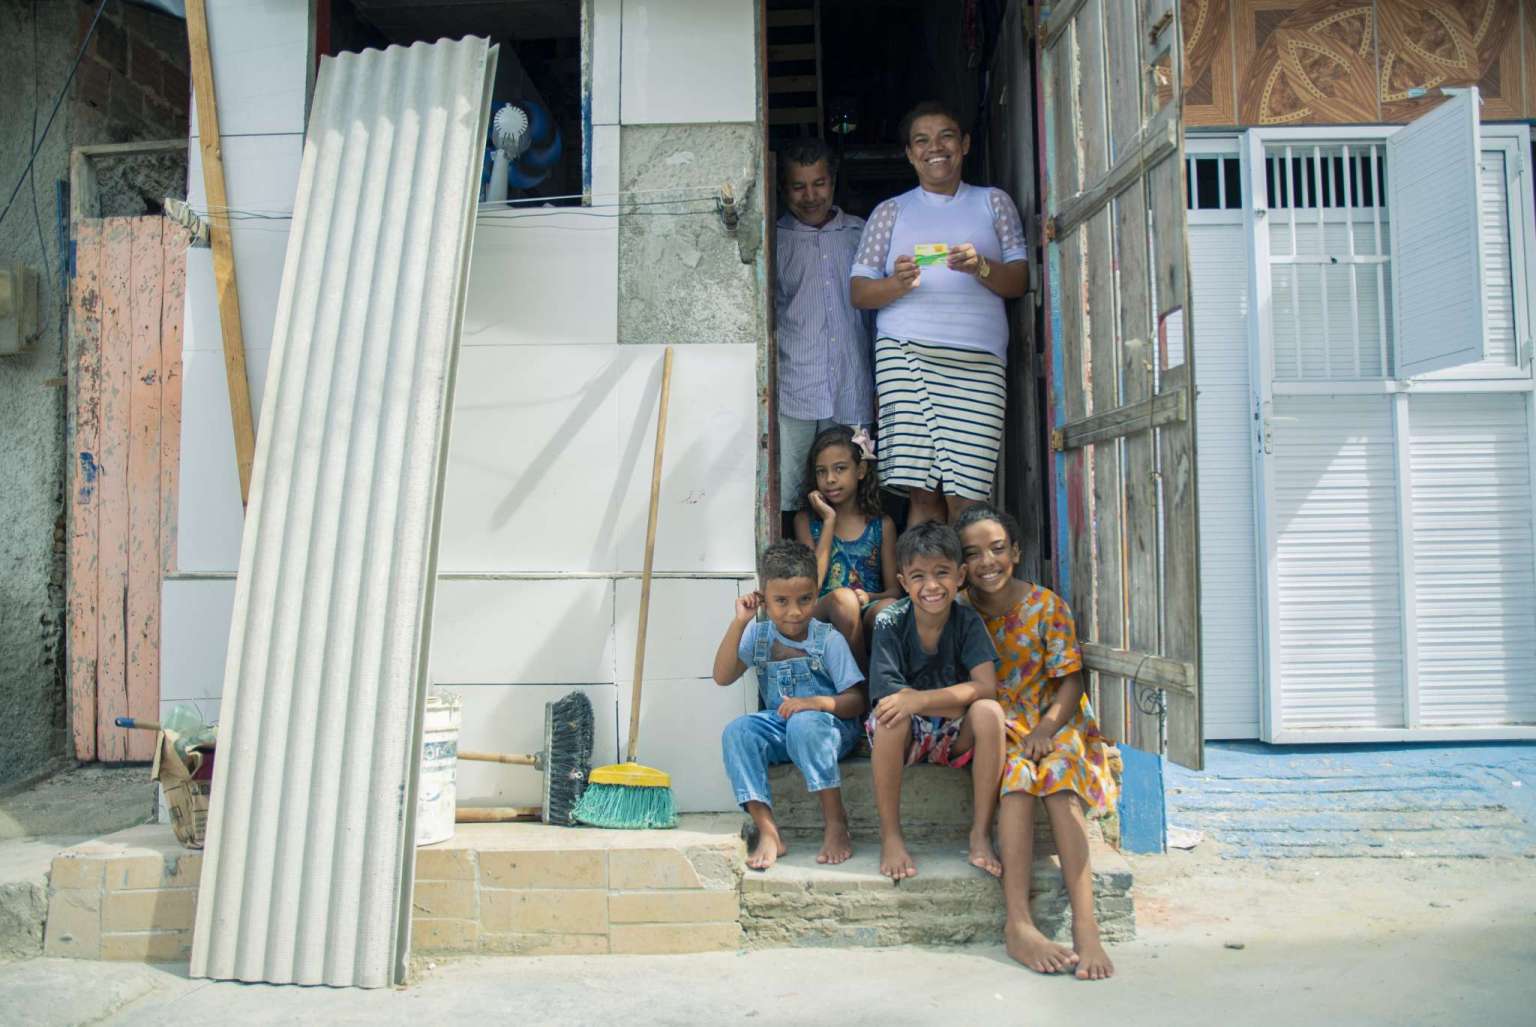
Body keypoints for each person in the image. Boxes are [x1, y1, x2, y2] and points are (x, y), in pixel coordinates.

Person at [956, 503, 1119, 980]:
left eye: (997, 549)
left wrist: (1047, 729)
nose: (987, 562)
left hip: (1055, 718)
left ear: (1015, 552)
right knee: (1018, 782)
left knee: (1061, 778)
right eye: (973, 553)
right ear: (961, 564)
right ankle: (1019, 924)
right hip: (1002, 725)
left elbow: (1070, 680)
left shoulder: (1047, 606)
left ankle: (1086, 927)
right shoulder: (959, 611)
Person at [849, 100, 1031, 526]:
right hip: (906, 354)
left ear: (964, 144)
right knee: (922, 493)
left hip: (979, 363)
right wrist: (896, 284)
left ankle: (966, 573)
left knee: (968, 495)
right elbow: (859, 292)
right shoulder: (890, 212)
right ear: (909, 154)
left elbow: (1019, 281)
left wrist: (981, 266)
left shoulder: (994, 203)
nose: (935, 148)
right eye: (922, 140)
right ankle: (924, 572)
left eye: (946, 137)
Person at [714, 540, 868, 870]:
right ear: (763, 599)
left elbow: (857, 701)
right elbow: (723, 676)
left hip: (829, 730)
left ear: (816, 594)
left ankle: (836, 821)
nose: (794, 612)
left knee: (804, 721)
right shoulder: (759, 636)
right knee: (737, 731)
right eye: (781, 601)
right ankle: (768, 830)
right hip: (782, 726)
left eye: (804, 600)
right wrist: (740, 622)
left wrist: (816, 702)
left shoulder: (828, 640)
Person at [866, 522, 1006, 882]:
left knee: (989, 713)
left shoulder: (967, 621)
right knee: (890, 718)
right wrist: (938, 702)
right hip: (907, 736)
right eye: (918, 576)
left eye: (942, 572)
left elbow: (986, 688)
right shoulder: (890, 622)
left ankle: (980, 834)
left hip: (955, 735)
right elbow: (889, 699)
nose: (931, 586)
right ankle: (891, 835)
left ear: (960, 576)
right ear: (903, 582)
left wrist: (919, 699)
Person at [774, 138, 875, 516]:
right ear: (783, 188)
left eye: (818, 183)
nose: (810, 196)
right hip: (794, 390)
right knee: (792, 492)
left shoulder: (859, 234)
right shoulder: (774, 238)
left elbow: (877, 316)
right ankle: (796, 553)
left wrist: (879, 383)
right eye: (798, 186)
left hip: (853, 388)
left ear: (833, 182)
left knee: (858, 487)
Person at [792, 425, 898, 669]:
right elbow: (813, 584)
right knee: (843, 600)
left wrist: (870, 597)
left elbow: (894, 591)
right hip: (823, 611)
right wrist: (829, 520)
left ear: (860, 470)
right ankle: (861, 682)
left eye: (840, 469)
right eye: (821, 471)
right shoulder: (806, 521)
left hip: (865, 609)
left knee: (888, 609)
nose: (830, 479)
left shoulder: (881, 525)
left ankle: (887, 677)